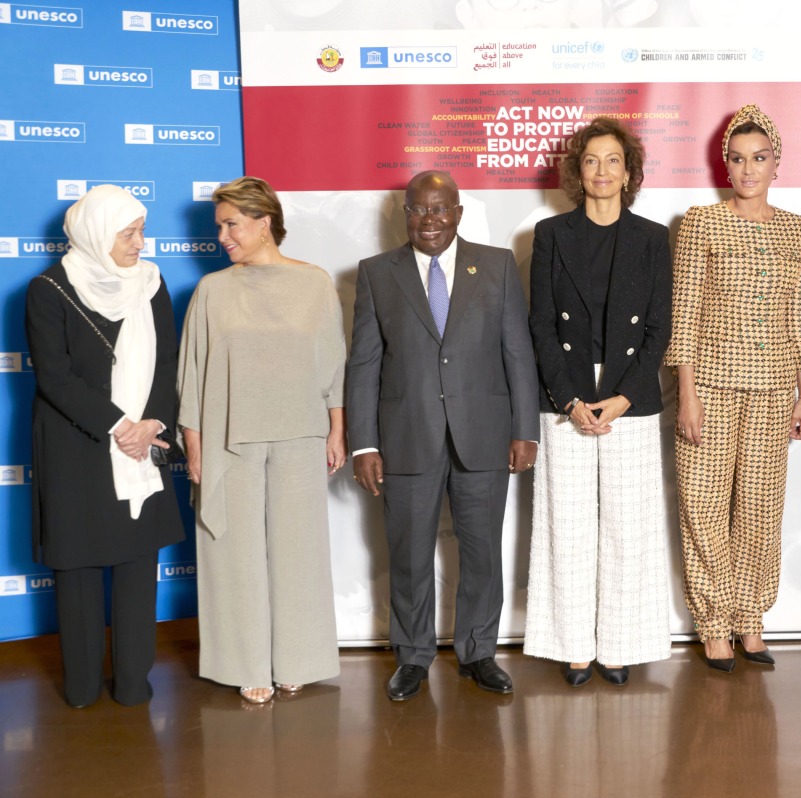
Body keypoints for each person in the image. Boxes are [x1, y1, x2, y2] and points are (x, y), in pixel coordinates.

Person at [346, 170, 540, 702]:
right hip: (405, 438)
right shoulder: (376, 273)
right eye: (417, 209)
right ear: (404, 213)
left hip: (485, 435)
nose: (427, 219)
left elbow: (517, 354)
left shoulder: (496, 266)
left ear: (457, 212)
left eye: (439, 209)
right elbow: (364, 364)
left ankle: (479, 653)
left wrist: (526, 429)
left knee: (482, 553)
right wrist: (364, 442)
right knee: (408, 554)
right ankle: (412, 656)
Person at [177, 176, 346, 705]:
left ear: (263, 222)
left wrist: (337, 428)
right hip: (231, 437)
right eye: (219, 226)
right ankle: (245, 663)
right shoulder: (212, 290)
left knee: (300, 552)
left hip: (300, 432)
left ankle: (298, 658)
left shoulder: (316, 283)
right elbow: (193, 374)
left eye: (231, 224)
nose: (223, 236)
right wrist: (195, 446)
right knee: (234, 555)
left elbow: (331, 366)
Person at [523, 118, 673, 687]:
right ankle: (573, 646)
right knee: (569, 526)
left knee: (626, 528)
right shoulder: (551, 233)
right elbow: (539, 324)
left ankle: (620, 644)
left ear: (628, 172)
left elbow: (658, 329)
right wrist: (569, 400)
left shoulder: (653, 237)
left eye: (613, 160)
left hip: (628, 399)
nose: (602, 171)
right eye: (592, 160)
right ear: (577, 170)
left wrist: (625, 397)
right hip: (566, 400)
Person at [664, 104, 801, 671]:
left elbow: (800, 315)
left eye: (760, 158)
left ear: (776, 163)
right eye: (737, 159)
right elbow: (685, 313)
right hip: (711, 384)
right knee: (703, 506)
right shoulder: (701, 221)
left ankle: (751, 619)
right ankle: (713, 622)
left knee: (759, 509)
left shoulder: (795, 227)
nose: (748, 169)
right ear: (725, 165)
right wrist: (688, 391)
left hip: (775, 389)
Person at [25, 185, 184, 708]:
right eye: (129, 233)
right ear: (97, 234)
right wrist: (121, 425)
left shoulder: (152, 284)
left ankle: (134, 683)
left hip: (144, 443)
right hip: (78, 447)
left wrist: (152, 422)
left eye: (141, 230)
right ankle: (81, 688)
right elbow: (56, 377)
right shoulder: (48, 289)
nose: (141, 241)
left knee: (138, 564)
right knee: (80, 568)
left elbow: (167, 363)